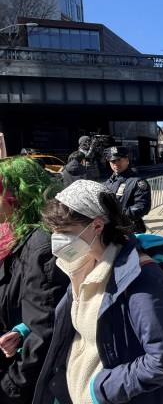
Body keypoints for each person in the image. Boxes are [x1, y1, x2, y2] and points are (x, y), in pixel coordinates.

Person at [35, 180, 163, 404]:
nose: (56, 238)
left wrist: (103, 389)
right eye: (54, 230)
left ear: (97, 225)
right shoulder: (81, 264)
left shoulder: (139, 277)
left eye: (64, 231)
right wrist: (25, 331)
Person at [0, 157, 68, 403]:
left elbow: (45, 331)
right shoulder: (14, 233)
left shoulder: (40, 245)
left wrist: (9, 388)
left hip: (24, 384)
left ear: (17, 196)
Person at [103, 146, 151, 233]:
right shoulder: (108, 183)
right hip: (112, 229)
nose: (116, 164)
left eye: (119, 160)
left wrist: (119, 215)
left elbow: (142, 207)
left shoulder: (137, 182)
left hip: (130, 229)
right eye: (113, 161)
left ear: (127, 160)